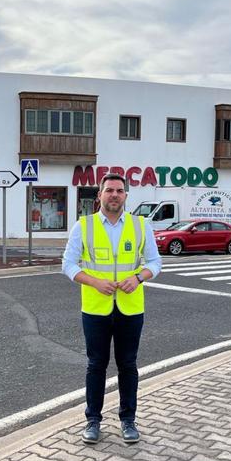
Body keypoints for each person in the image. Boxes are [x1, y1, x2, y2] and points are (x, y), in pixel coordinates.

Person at [62, 172, 162, 445]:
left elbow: (155, 262)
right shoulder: (84, 226)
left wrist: (138, 277)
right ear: (100, 196)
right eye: (109, 190)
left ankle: (128, 420)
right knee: (96, 365)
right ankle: (93, 420)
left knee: (128, 365)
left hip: (131, 308)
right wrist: (94, 282)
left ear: (126, 195)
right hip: (95, 309)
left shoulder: (141, 225)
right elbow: (68, 265)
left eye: (119, 190)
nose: (114, 195)